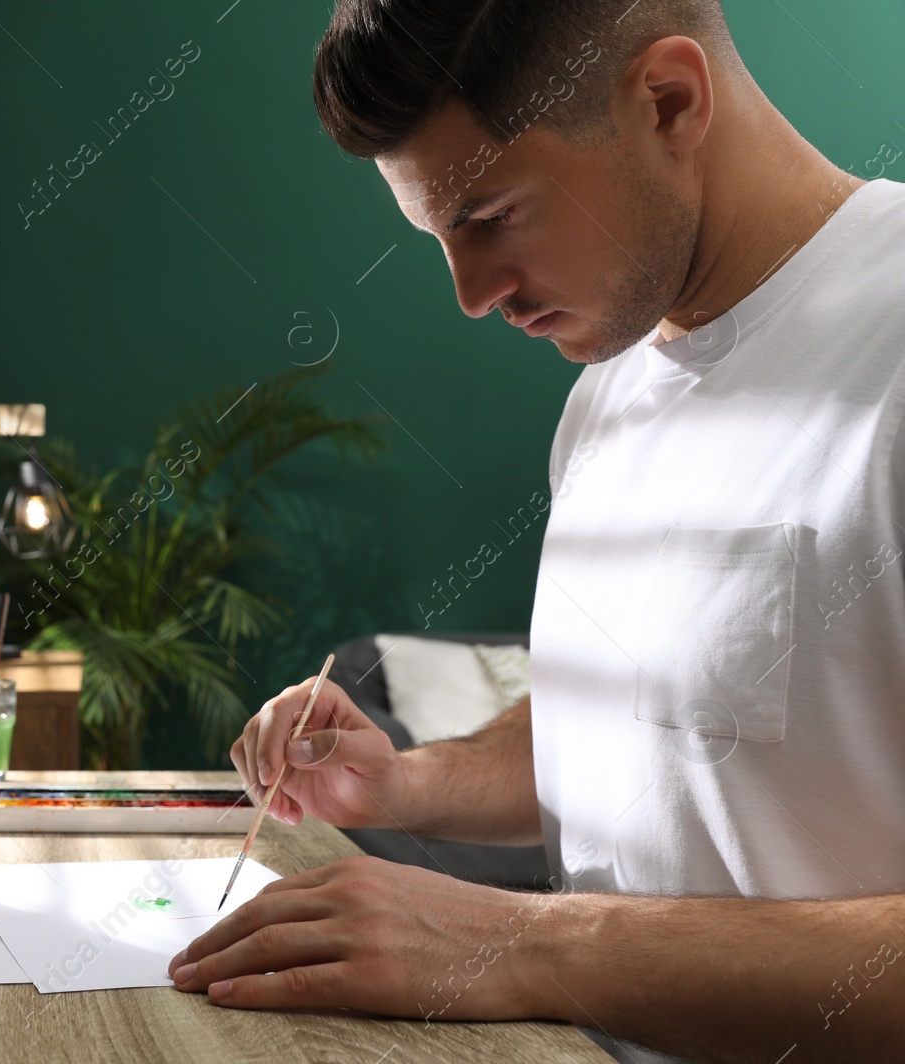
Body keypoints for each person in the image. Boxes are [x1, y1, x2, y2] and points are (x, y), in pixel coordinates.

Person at [166, 1, 905, 1061]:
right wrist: (405, 783)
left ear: (668, 101)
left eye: (492, 216)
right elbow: (645, 718)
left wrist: (524, 943)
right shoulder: (606, 390)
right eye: (439, 238)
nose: (471, 295)